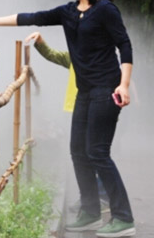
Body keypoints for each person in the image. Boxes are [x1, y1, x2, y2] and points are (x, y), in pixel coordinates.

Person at [0, 0, 135, 238]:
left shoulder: (106, 10)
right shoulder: (69, 12)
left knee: (98, 152)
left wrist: (124, 85)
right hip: (85, 92)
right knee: (77, 151)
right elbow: (32, 17)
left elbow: (125, 45)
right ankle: (90, 211)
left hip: (106, 89)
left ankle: (123, 218)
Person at [25, 31, 109, 213]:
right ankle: (89, 198)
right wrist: (40, 42)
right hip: (74, 110)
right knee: (83, 157)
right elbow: (53, 55)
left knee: (92, 154)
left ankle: (100, 197)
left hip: (90, 110)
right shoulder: (74, 57)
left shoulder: (99, 59)